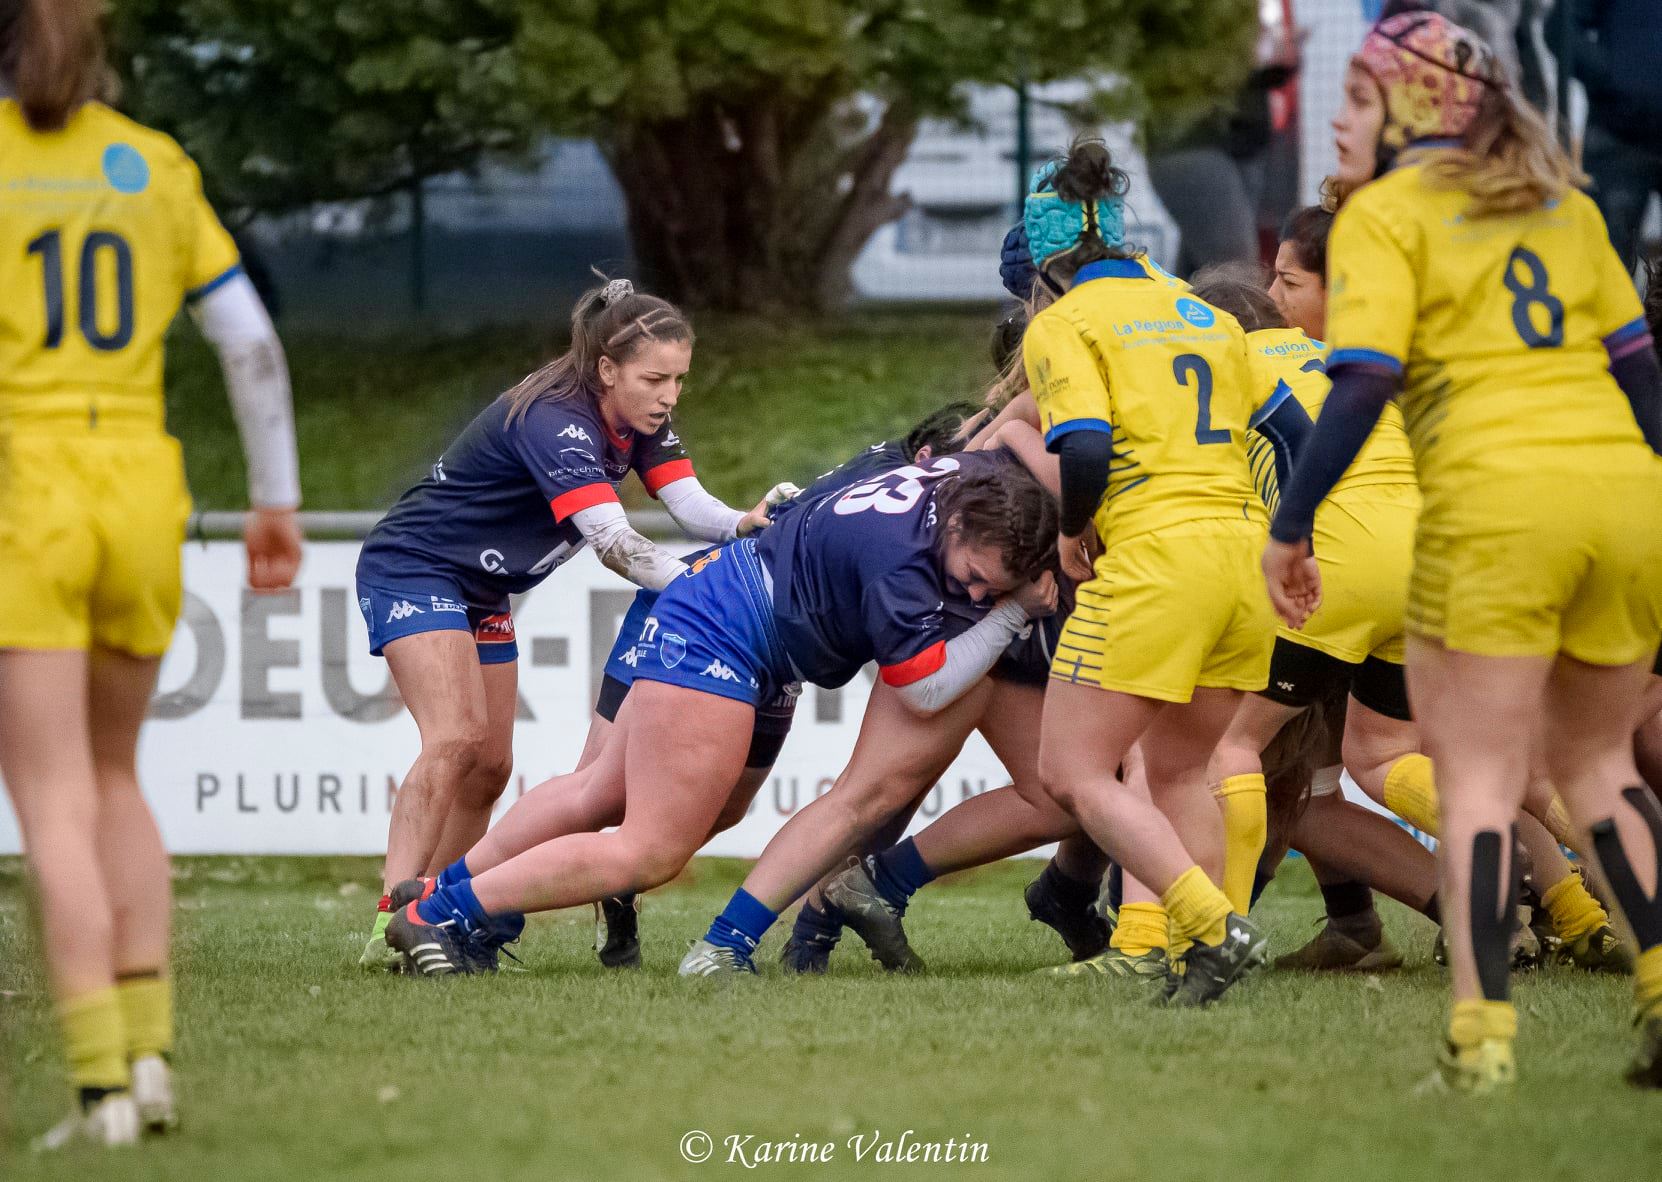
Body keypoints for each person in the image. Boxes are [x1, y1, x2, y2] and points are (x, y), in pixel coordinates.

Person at [1263, 11, 1662, 1091]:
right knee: (1597, 767)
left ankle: (1480, 1041)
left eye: (1354, 97)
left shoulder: (1391, 214)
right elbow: (1638, 369)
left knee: (1480, 786)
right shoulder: (1565, 205)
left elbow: (1364, 382)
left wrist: (1292, 526)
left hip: (1495, 507)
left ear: (1408, 104)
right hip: (1624, 500)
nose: (1341, 117)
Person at [384, 454, 1059, 975]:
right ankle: (439, 913)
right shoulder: (904, 562)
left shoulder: (977, 484)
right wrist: (1009, 610)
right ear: (963, 526)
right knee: (649, 851)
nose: (971, 592)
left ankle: (442, 894)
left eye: (988, 588)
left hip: (749, 616)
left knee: (614, 796)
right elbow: (926, 691)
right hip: (725, 628)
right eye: (972, 576)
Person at [0, 0, 304, 1147]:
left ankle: (97, 1092)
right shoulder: (153, 164)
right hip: (140, 480)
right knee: (119, 775)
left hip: (26, 481)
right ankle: (151, 1057)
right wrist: (274, 499)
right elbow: (249, 344)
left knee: (51, 799)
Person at [353, 278, 785, 969]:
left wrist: (741, 524)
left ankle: (439, 915)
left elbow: (686, 502)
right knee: (456, 737)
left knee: (492, 768)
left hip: (483, 590)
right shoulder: (556, 420)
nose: (670, 395)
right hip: (414, 569)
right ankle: (386, 924)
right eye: (655, 378)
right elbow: (617, 546)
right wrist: (712, 591)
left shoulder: (634, 415)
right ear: (607, 370)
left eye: (679, 379)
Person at [1017, 137, 1316, 1007]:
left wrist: (1075, 531)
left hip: (1158, 559)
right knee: (1185, 771)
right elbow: (1296, 433)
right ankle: (1200, 948)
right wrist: (1289, 539)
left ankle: (1217, 930)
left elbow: (1084, 445)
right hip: (1240, 558)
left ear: (1049, 259)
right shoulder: (1203, 312)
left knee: (1073, 772)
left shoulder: (1064, 323)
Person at [1547, 0, 1662, 275]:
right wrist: (1611, 76)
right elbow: (1559, 28)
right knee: (1606, 263)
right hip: (1617, 137)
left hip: (1619, 126)